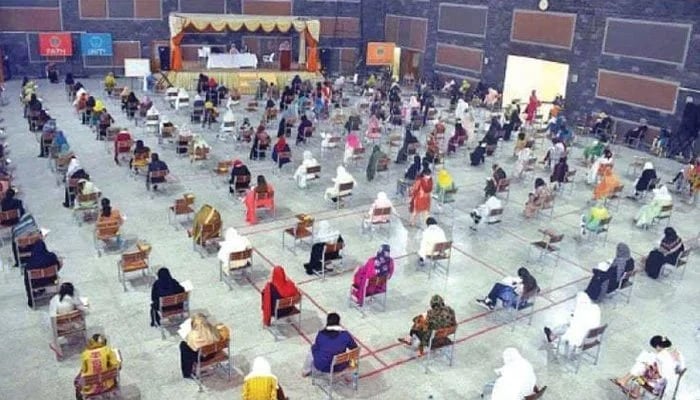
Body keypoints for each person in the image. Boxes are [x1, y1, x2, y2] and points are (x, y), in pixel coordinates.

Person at [612, 335, 685, 398]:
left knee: (643, 362)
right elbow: (680, 369)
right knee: (645, 364)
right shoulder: (676, 354)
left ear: (658, 346)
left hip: (655, 386)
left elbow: (656, 371)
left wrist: (648, 366)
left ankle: (625, 382)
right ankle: (634, 390)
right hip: (665, 385)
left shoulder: (661, 355)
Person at [74, 334, 121, 399]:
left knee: (76, 381)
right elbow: (116, 365)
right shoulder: (107, 350)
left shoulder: (85, 354)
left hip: (90, 390)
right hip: (108, 386)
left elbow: (84, 369)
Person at [48, 282, 88, 357]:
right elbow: (84, 310)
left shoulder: (54, 300)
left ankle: (56, 345)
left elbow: (52, 318)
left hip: (61, 327)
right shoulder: (73, 299)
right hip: (76, 325)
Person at [179, 313, 223, 379]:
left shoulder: (194, 334)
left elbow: (192, 347)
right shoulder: (213, 330)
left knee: (183, 346)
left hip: (202, 357)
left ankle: (187, 372)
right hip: (213, 353)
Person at [24, 240, 61, 308]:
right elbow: (58, 266)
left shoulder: (29, 264)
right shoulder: (51, 256)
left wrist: (30, 299)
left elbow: (27, 282)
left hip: (36, 284)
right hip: (51, 280)